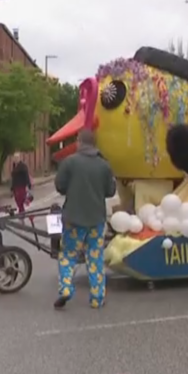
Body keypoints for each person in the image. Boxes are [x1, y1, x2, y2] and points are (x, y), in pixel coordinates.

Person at [54, 128, 116, 309]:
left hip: (73, 218)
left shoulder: (70, 162)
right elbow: (110, 191)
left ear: (79, 142)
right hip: (96, 219)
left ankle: (65, 287)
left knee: (68, 254)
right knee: (95, 257)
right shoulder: (104, 165)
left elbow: (60, 186)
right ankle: (97, 297)